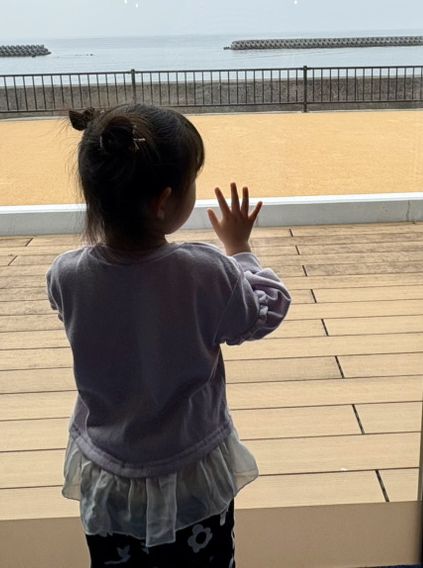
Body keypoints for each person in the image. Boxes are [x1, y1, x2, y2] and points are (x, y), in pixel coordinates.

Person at [48, 103, 291, 567]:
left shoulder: (67, 274)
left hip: (109, 472)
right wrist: (239, 249)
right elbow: (263, 312)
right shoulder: (205, 272)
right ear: (163, 202)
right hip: (190, 473)